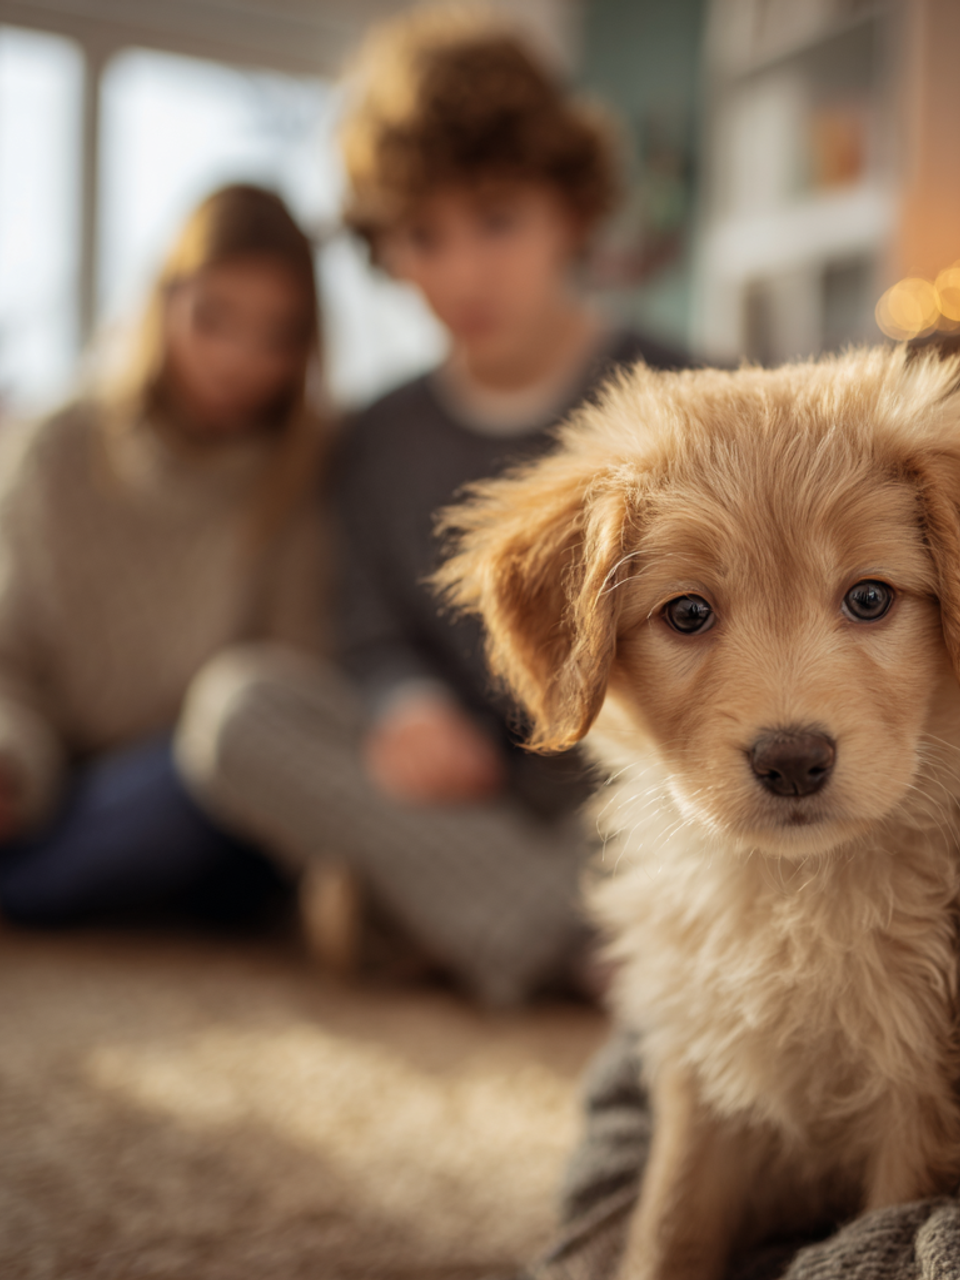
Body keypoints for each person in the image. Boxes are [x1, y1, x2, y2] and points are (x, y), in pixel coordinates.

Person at [177, 7, 685, 1005]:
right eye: (423, 235)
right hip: (463, 797)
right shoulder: (373, 436)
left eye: (496, 219)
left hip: (636, 786)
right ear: (387, 249)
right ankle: (593, 942)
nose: (461, 272)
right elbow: (366, 630)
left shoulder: (683, 395)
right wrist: (402, 704)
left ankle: (476, 919)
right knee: (237, 712)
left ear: (569, 212)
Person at [0, 183, 326, 928]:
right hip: (67, 785)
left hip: (205, 793)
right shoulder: (58, 449)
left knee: (197, 782)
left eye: (276, 334)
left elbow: (296, 688)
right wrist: (12, 765)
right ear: (162, 303)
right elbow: (8, 662)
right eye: (212, 320)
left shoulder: (305, 468)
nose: (240, 359)